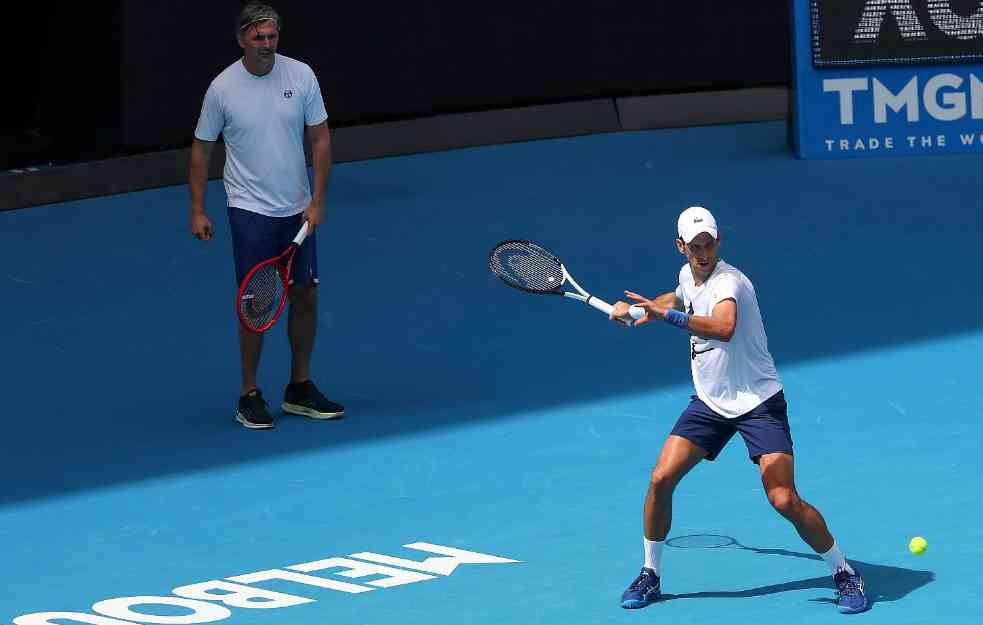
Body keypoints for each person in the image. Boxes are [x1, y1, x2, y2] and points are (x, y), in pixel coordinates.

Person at [610, 206, 868, 614]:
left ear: (718, 242)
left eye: (709, 243)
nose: (703, 251)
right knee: (661, 478)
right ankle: (650, 573)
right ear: (681, 247)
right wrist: (641, 311)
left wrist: (666, 317)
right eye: (695, 245)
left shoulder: (730, 281)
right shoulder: (686, 274)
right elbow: (676, 296)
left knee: (783, 499)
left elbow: (725, 326)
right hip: (711, 402)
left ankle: (844, 572)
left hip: (757, 402)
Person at [188, 3, 344, 429]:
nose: (267, 45)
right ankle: (249, 394)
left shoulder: (301, 75)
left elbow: (321, 139)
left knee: (306, 294)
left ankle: (299, 387)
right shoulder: (222, 89)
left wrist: (318, 200)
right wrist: (198, 207)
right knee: (255, 303)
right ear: (241, 40)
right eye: (258, 37)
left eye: (272, 37)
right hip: (249, 211)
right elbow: (202, 150)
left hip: (297, 209)